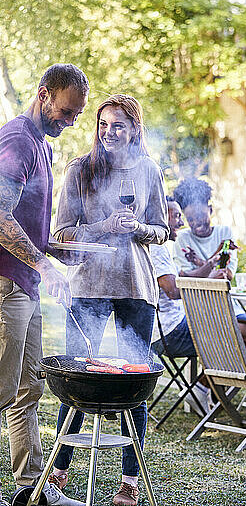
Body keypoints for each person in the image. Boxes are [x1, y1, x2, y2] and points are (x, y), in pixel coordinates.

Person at [48, 94, 168, 506]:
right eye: (103, 125)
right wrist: (102, 225)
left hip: (135, 286)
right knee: (77, 380)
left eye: (118, 125)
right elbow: (62, 234)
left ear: (134, 129)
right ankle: (60, 471)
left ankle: (130, 481)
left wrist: (138, 228)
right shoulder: (80, 170)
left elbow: (163, 230)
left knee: (135, 381)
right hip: (87, 286)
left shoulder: (149, 170)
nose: (109, 132)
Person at [0, 63, 89, 506]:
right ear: (43, 94)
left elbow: (26, 223)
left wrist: (56, 251)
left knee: (27, 389)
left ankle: (31, 491)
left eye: (76, 116)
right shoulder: (18, 140)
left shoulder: (41, 144)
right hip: (6, 285)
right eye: (67, 111)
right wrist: (43, 263)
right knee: (1, 388)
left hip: (27, 283)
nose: (70, 121)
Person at [151, 196, 246, 414]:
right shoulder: (158, 249)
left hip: (171, 326)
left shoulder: (159, 247)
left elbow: (183, 276)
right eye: (177, 216)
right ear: (161, 217)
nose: (181, 223)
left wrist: (209, 263)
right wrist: (212, 280)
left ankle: (201, 387)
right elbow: (173, 291)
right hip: (170, 334)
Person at [172, 178, 246, 362]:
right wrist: (214, 261)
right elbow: (188, 281)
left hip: (228, 305)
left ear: (210, 210)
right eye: (190, 219)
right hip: (201, 308)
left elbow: (226, 274)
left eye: (200, 215)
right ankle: (234, 387)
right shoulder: (182, 239)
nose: (196, 223)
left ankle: (205, 386)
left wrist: (203, 264)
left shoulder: (224, 232)